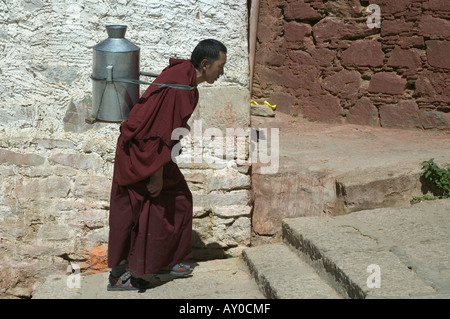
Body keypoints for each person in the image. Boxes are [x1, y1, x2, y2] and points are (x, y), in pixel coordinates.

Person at [106, 39, 227, 291]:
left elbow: (166, 131)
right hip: (141, 154)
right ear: (205, 64)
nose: (221, 72)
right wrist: (157, 174)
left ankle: (168, 261)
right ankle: (120, 274)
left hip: (154, 152)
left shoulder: (184, 77)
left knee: (178, 200)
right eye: (220, 66)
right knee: (132, 211)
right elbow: (160, 132)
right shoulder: (180, 86)